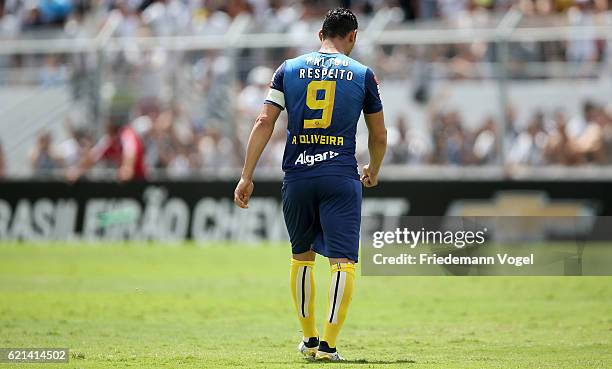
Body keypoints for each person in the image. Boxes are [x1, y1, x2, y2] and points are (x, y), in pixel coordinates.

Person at [233, 8, 387, 362]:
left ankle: (309, 339)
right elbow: (378, 136)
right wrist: (374, 170)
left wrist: (246, 175)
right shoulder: (363, 75)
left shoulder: (287, 69)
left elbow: (263, 120)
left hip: (298, 176)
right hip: (340, 176)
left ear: (320, 34)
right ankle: (330, 345)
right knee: (343, 262)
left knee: (301, 258)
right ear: (353, 37)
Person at [68, 117, 146, 181]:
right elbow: (93, 157)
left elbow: (130, 152)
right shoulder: (108, 140)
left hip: (141, 178)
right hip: (125, 181)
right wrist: (77, 171)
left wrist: (127, 167)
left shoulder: (127, 134)